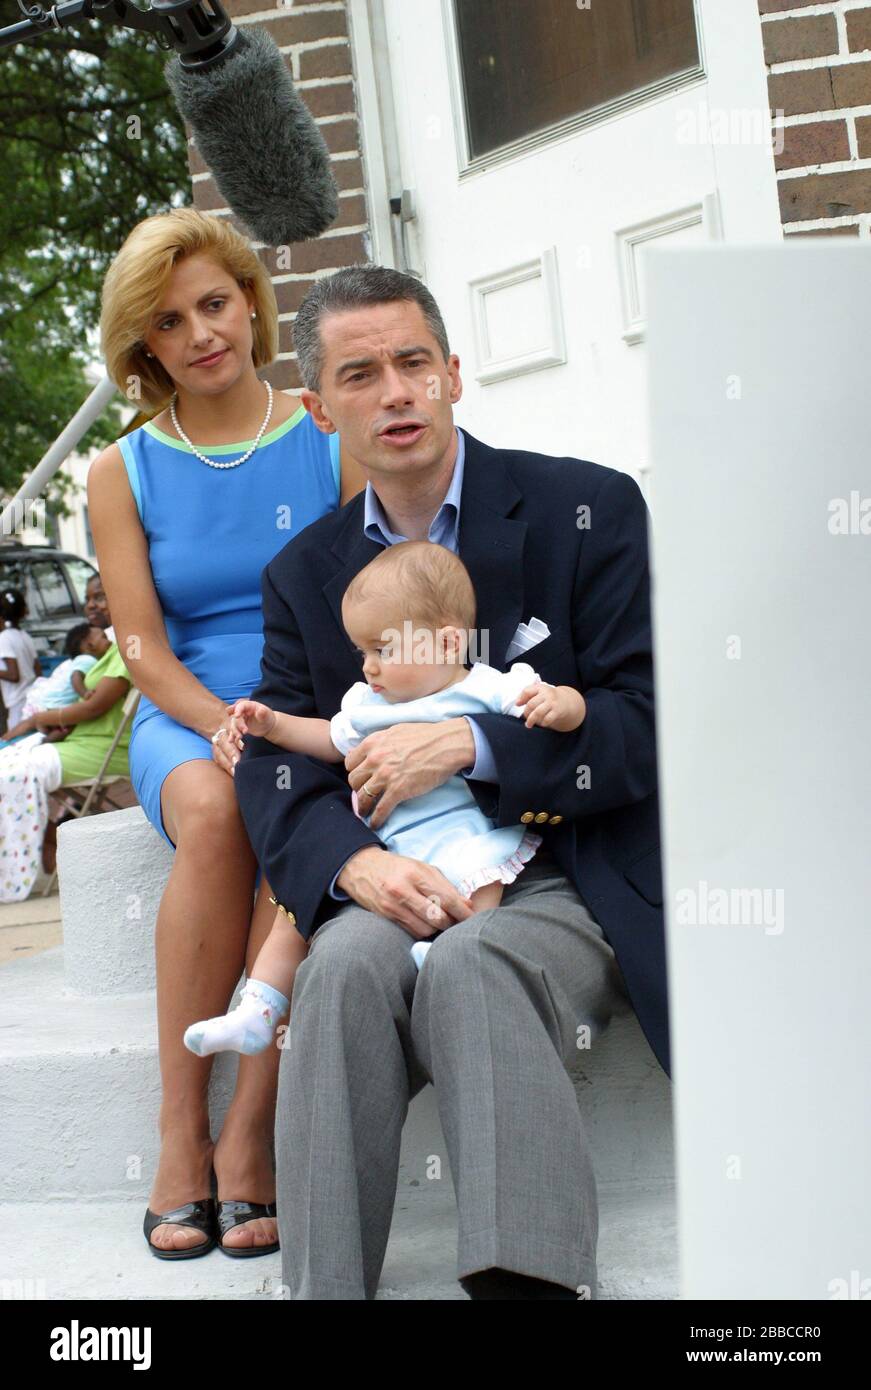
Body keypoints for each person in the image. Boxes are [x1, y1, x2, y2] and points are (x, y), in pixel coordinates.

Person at [232, 264, 668, 1301]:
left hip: (563, 873)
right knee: (336, 972)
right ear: (318, 406)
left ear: (453, 374)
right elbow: (282, 764)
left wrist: (473, 749)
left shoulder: (588, 507)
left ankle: (532, 1284)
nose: (395, 392)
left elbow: (642, 721)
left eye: (413, 362)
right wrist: (356, 865)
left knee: (473, 964)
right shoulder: (304, 573)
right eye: (361, 373)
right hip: (402, 870)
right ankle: (324, 1288)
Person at [87, 207, 366, 1262]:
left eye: (214, 303)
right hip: (186, 710)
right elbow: (141, 647)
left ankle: (249, 1133)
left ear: (250, 299)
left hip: (309, 697)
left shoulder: (321, 431)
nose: (201, 332)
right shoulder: (122, 471)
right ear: (144, 347)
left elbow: (362, 593)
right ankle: (178, 1134)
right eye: (169, 321)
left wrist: (295, 723)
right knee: (216, 809)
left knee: (281, 804)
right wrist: (221, 726)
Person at [184, 541, 588, 1057]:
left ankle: (441, 952)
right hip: (387, 844)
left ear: (446, 644)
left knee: (479, 884)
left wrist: (563, 703)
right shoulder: (368, 703)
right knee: (294, 912)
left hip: (461, 833)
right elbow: (329, 740)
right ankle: (258, 1008)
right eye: (362, 652)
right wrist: (275, 724)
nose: (369, 667)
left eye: (382, 649)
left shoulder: (485, 687)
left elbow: (567, 708)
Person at [0, 596, 132, 902]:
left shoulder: (126, 651)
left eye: (100, 597)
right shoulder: (110, 651)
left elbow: (93, 708)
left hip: (101, 751)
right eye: (89, 599)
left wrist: (44, 718)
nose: (92, 606)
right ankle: (45, 840)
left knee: (11, 774)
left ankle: (45, 843)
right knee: (8, 764)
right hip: (80, 743)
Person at [4, 623, 106, 738]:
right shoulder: (88, 659)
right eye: (104, 637)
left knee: (27, 727)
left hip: (43, 701)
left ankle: (7, 739)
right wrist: (85, 693)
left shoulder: (75, 661)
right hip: (54, 704)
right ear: (90, 645)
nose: (110, 641)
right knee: (66, 728)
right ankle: (44, 743)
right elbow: (75, 677)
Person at [0, 588, 41, 730]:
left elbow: (13, 675)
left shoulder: (4, 639)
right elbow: (38, 672)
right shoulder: (26, 636)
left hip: (18, 703)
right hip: (32, 700)